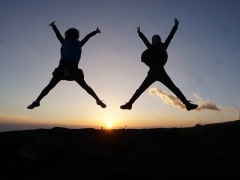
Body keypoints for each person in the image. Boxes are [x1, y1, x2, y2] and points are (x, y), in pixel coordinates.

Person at [120, 18, 198, 111]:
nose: (154, 40)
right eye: (153, 39)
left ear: (159, 40)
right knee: (140, 89)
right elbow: (145, 41)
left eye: (156, 39)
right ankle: (129, 104)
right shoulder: (150, 48)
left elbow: (170, 37)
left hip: (161, 72)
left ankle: (187, 104)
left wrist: (175, 26)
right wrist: (140, 34)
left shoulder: (163, 47)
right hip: (152, 72)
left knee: (174, 89)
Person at [27, 21, 106, 109]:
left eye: (74, 35)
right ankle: (37, 102)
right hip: (62, 68)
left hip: (73, 69)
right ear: (67, 35)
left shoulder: (79, 44)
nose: (72, 37)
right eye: (70, 35)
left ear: (76, 36)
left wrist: (95, 32)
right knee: (49, 86)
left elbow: (87, 37)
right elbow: (58, 35)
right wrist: (54, 26)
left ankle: (98, 100)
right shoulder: (64, 42)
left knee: (85, 86)